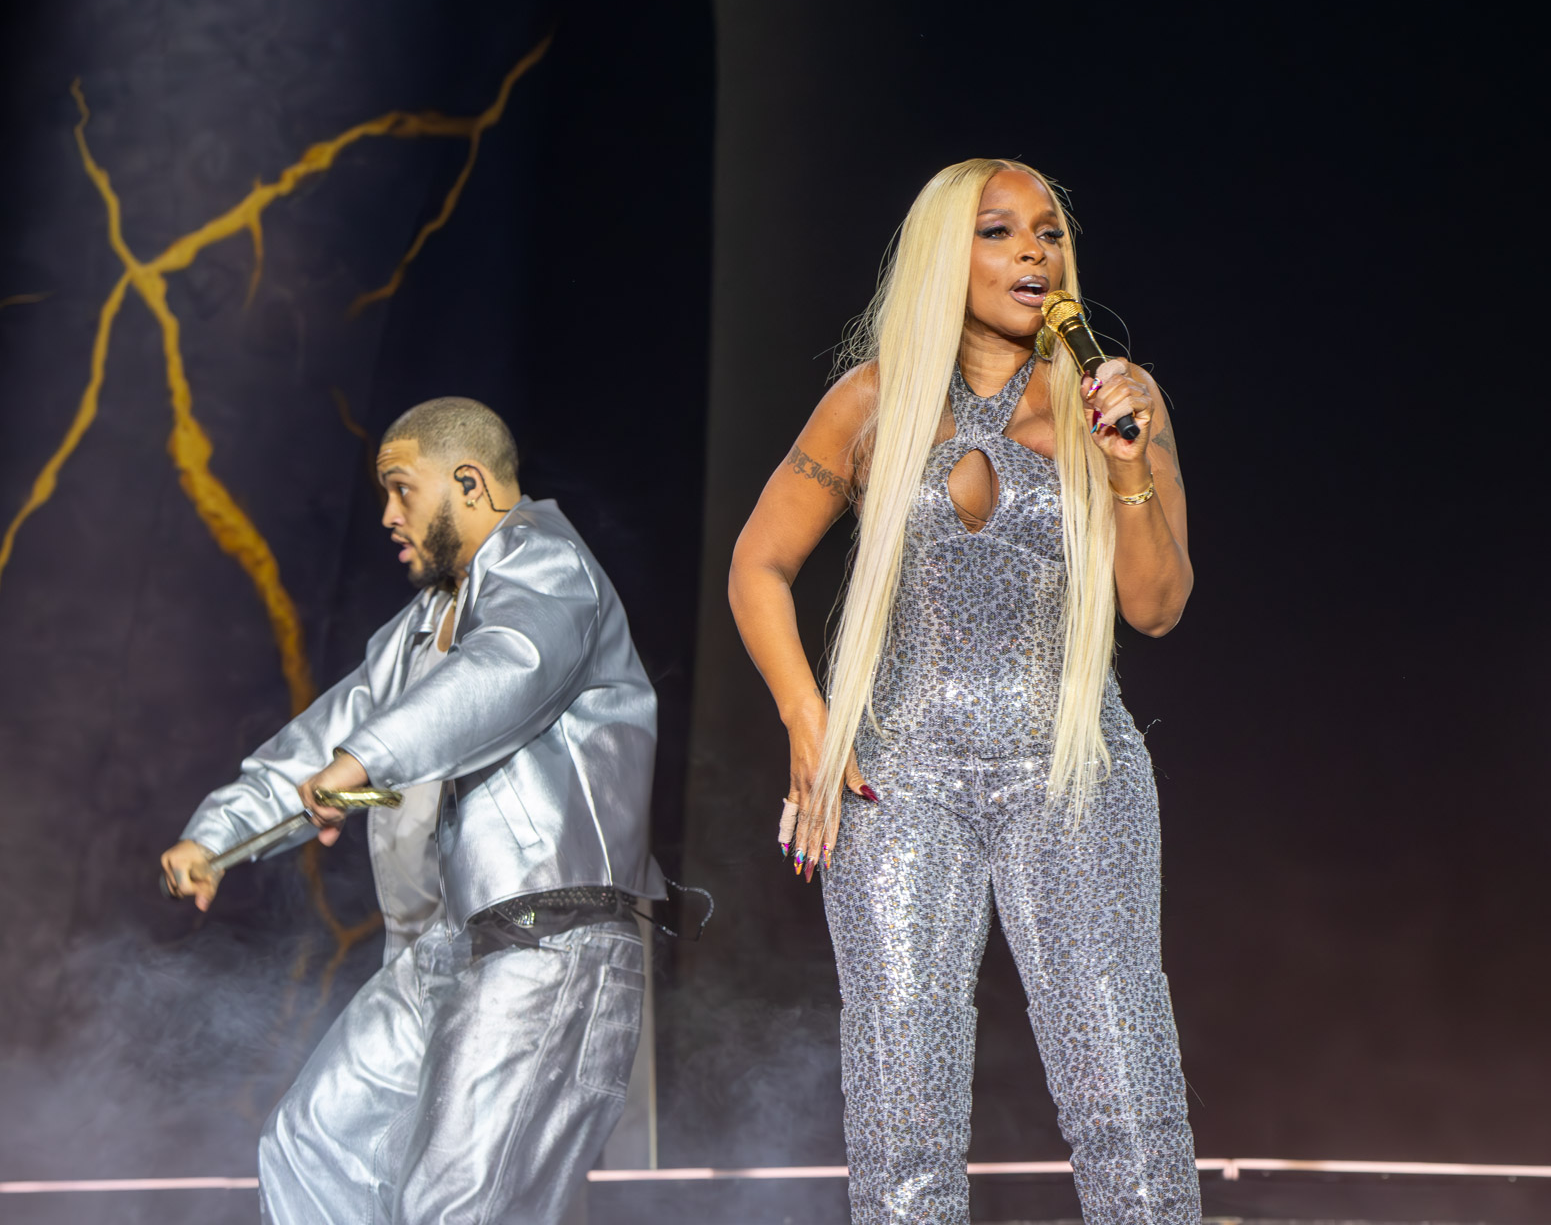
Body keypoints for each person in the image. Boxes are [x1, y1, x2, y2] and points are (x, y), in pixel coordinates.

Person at [730, 159, 1201, 1224]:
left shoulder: (1114, 399)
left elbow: (1158, 605)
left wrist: (1127, 461)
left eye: (1051, 232)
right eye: (1000, 230)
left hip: (1073, 775)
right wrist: (811, 722)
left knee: (1125, 1093)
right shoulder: (871, 399)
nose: (1035, 251)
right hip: (900, 784)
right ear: (947, 252)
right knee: (903, 1116)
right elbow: (757, 564)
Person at [160, 397, 661, 1225]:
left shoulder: (547, 563)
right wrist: (217, 836)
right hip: (445, 951)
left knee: (457, 1206)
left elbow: (508, 666)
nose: (390, 516)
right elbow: (327, 736)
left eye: (402, 490)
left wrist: (367, 760)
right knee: (314, 1146)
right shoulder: (422, 627)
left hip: (547, 938)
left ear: (469, 483)